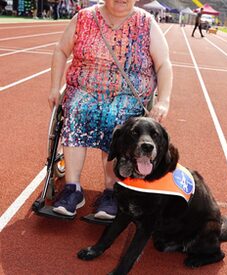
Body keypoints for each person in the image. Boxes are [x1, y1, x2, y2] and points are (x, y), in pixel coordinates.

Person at [48, 0, 173, 219]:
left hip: (128, 95)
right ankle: (72, 189)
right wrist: (54, 87)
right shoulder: (84, 18)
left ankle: (112, 192)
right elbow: (60, 50)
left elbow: (163, 65)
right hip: (85, 89)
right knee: (77, 109)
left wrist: (163, 100)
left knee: (116, 118)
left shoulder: (146, 23)